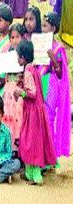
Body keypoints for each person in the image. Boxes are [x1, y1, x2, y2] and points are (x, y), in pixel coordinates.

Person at [15, 40, 56, 185]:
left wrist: (20, 92)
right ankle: (30, 173)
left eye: (18, 56)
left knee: (29, 142)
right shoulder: (35, 70)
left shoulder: (27, 72)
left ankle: (34, 175)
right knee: (36, 141)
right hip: (38, 111)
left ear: (23, 57)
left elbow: (31, 93)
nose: (17, 59)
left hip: (31, 112)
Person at [39, 13, 71, 161]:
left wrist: (53, 59)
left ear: (53, 28)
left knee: (49, 118)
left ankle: (50, 156)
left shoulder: (58, 48)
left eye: (45, 26)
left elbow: (60, 73)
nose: (43, 28)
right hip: (39, 82)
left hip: (51, 85)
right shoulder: (39, 44)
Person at [1, 23, 26, 154]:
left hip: (18, 91)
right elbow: (4, 75)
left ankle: (18, 150)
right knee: (7, 118)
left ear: (22, 37)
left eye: (18, 37)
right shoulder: (7, 54)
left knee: (18, 119)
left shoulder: (24, 56)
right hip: (7, 91)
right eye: (12, 37)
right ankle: (9, 148)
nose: (15, 40)